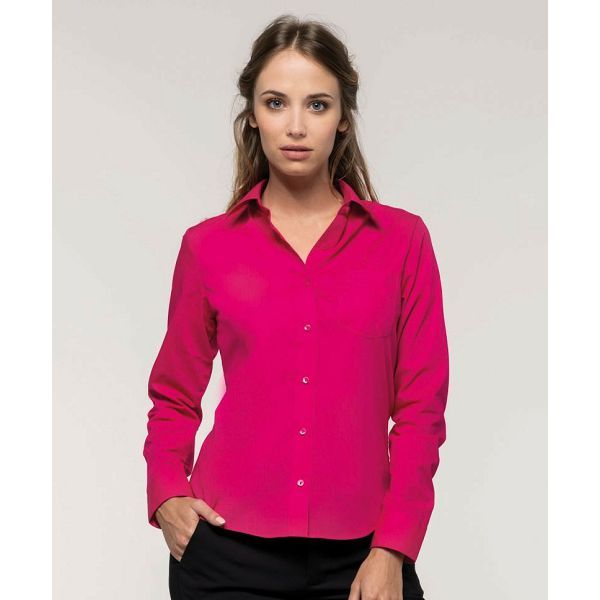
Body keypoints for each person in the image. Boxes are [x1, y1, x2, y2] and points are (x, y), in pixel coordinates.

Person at [143, 14, 449, 600]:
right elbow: (174, 394)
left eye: (317, 105)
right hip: (225, 555)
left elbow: (421, 411)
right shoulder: (208, 247)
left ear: (343, 118)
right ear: (253, 115)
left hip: (362, 558)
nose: (296, 126)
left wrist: (393, 548)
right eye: (276, 102)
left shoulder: (402, 243)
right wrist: (167, 495)